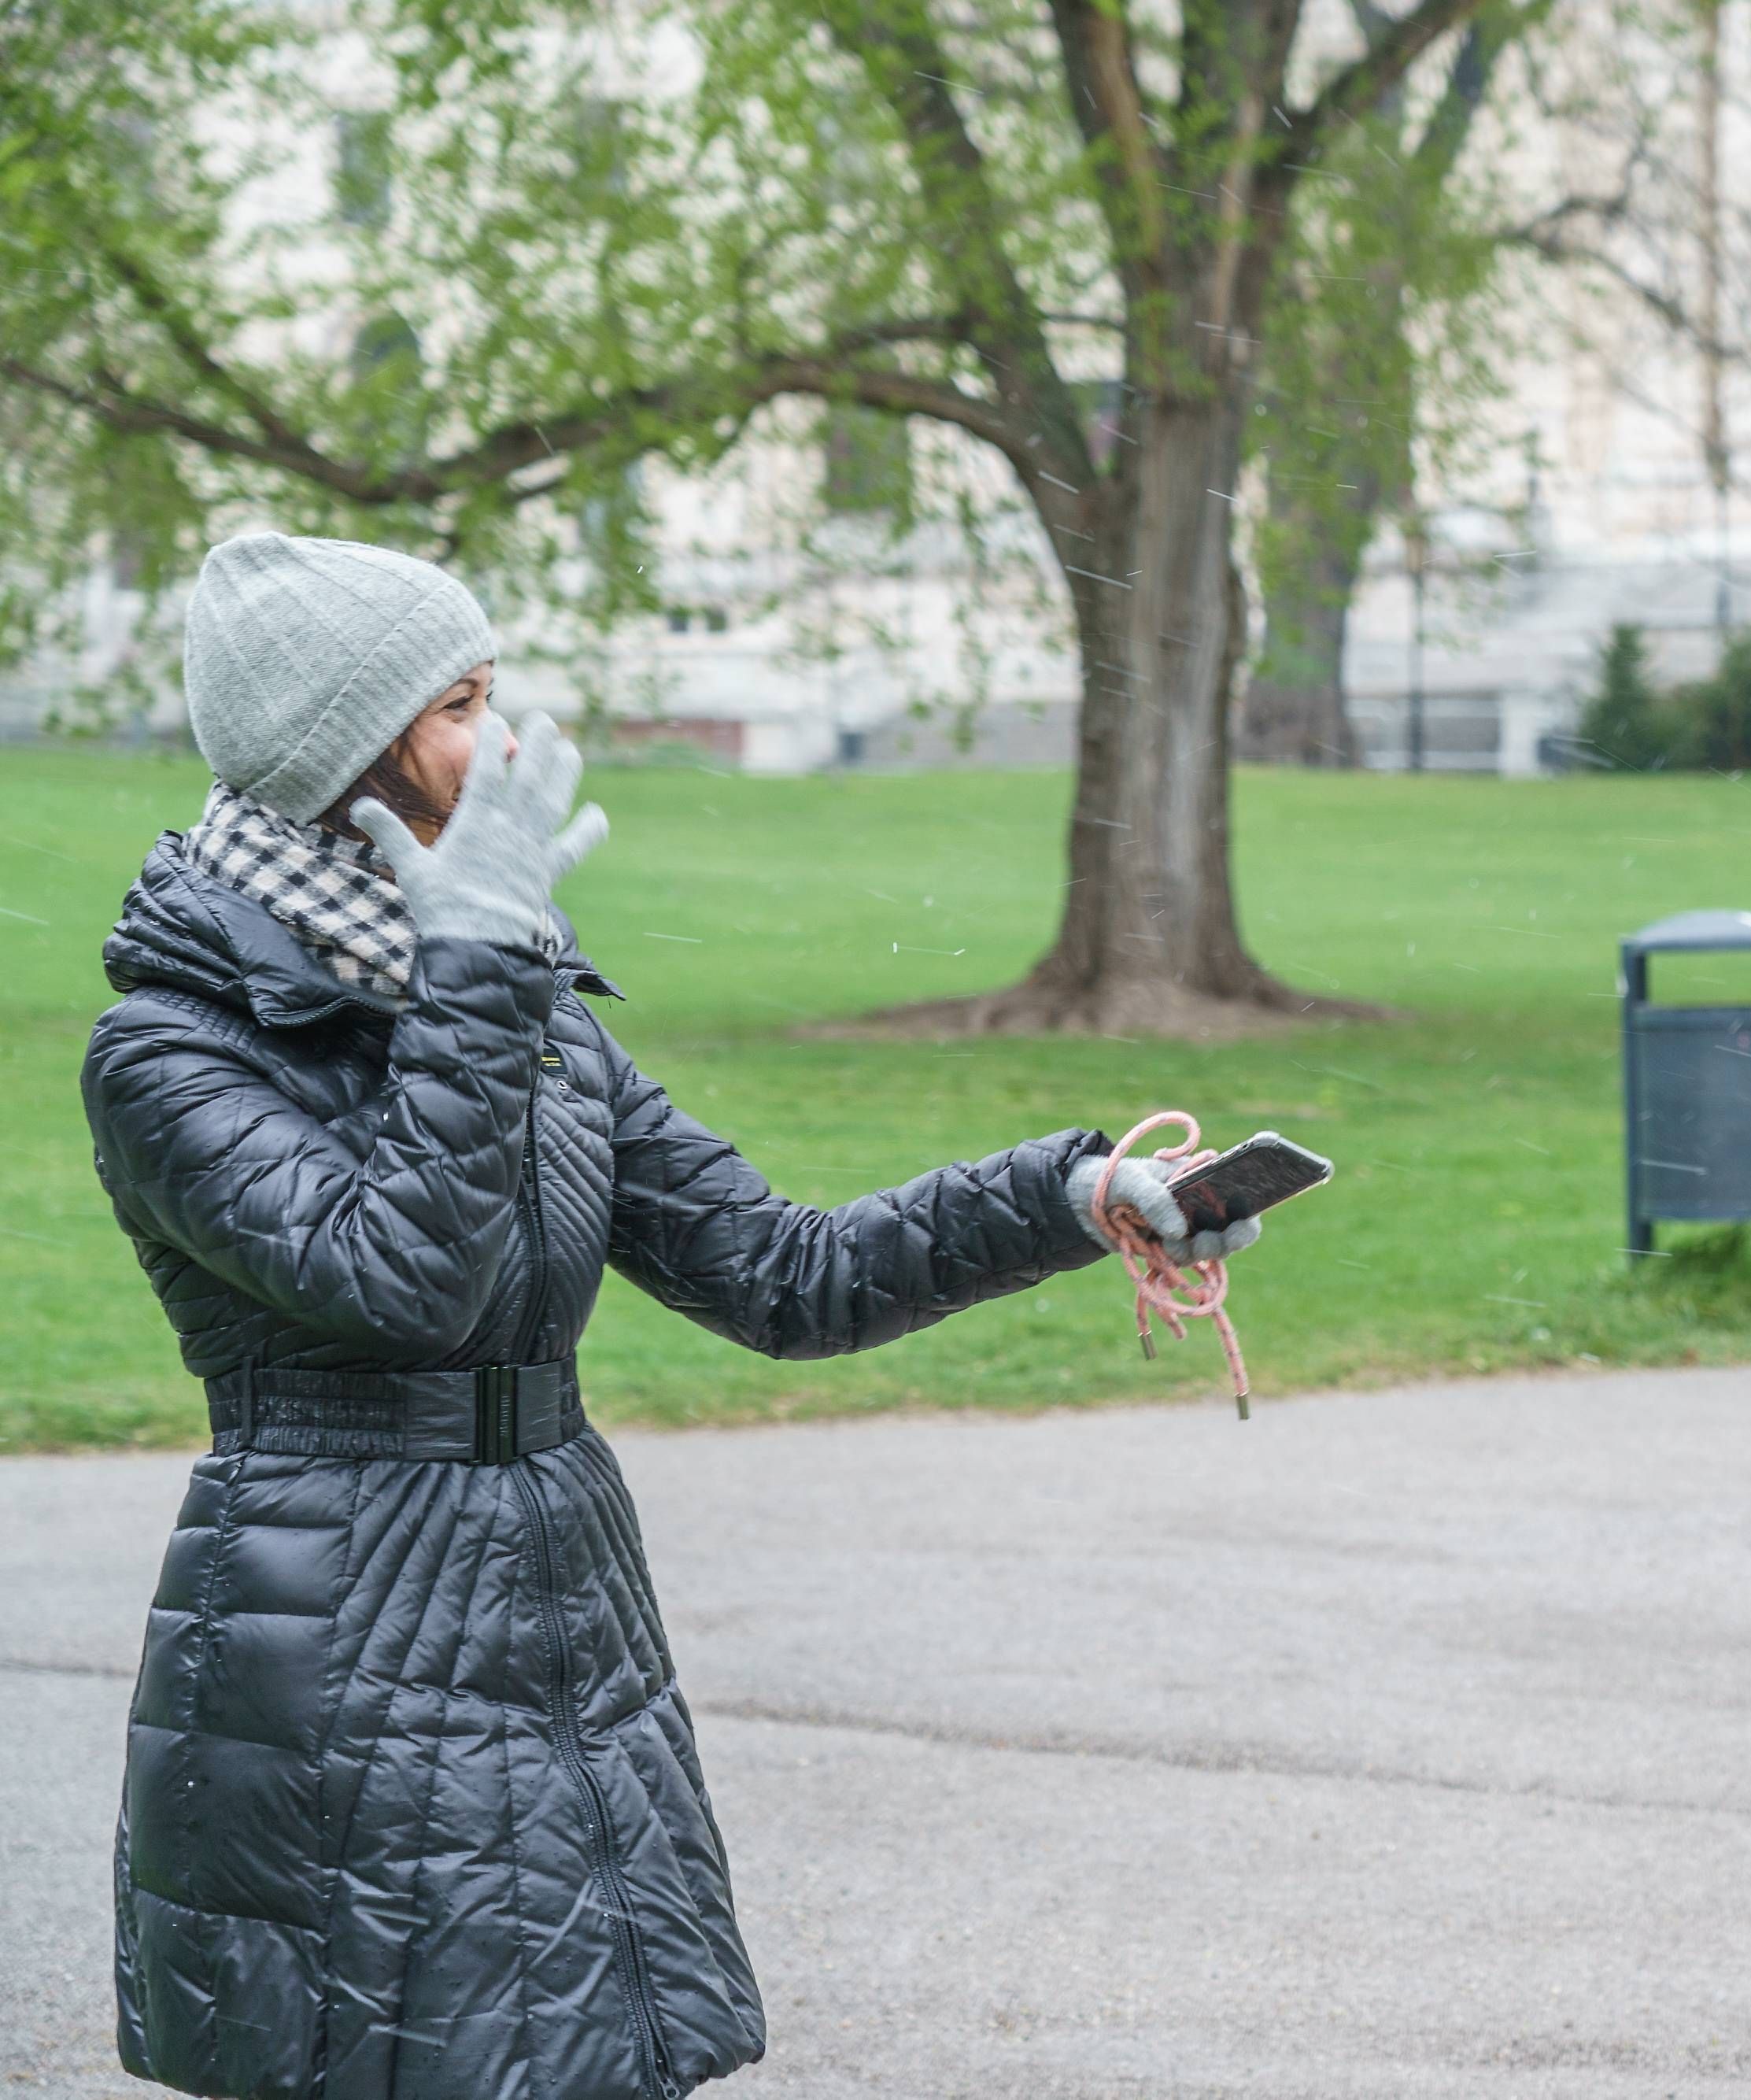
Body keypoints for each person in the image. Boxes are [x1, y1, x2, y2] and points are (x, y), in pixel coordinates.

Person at [83, 532, 1255, 2099]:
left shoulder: (532, 1011)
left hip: (565, 1612)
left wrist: (1067, 1190)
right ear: (338, 755)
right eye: (457, 705)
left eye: (492, 692)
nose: (498, 740)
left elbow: (785, 1272)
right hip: (336, 1647)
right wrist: (475, 963)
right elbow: (405, 1280)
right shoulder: (172, 1050)